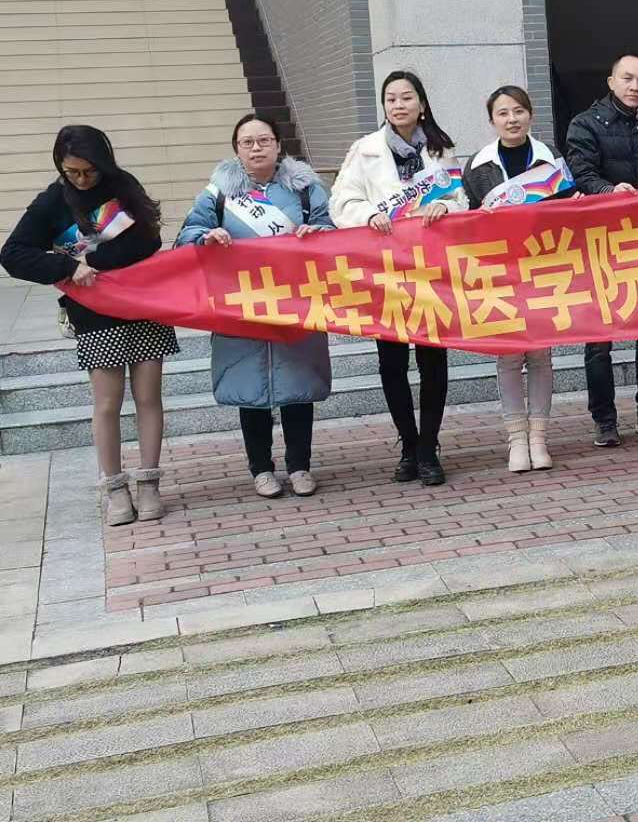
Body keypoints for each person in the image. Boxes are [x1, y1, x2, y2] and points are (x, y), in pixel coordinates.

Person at [1, 126, 177, 526]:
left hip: (143, 302)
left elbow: (148, 240)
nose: (82, 179)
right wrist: (66, 266)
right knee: (107, 403)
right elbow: (12, 254)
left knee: (148, 397)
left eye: (89, 171)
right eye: (72, 172)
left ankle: (149, 483)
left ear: (103, 163)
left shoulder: (123, 185)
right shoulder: (52, 201)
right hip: (94, 312)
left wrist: (93, 262)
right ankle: (115, 489)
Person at [175, 114, 334, 499]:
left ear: (278, 145)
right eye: (247, 142)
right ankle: (261, 469)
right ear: (237, 150)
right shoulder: (217, 194)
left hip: (295, 300)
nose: (256, 148)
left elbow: (335, 229)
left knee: (298, 385)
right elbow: (186, 235)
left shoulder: (306, 189)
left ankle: (300, 465)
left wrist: (319, 233)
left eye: (264, 140)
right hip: (240, 303)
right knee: (251, 389)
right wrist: (206, 236)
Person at [331, 71, 465, 486]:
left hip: (430, 269)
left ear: (422, 104)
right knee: (391, 362)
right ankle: (408, 444)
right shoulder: (365, 150)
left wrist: (446, 207)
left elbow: (461, 198)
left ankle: (429, 448)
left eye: (407, 97)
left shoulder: (441, 149)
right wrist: (369, 214)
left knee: (432, 359)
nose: (398, 105)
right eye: (391, 99)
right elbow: (341, 202)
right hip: (384, 270)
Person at [564, 54, 638, 448]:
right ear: (611, 81)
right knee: (599, 338)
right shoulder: (585, 124)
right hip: (600, 242)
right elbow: (580, 172)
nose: (635, 87)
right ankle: (604, 419)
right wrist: (607, 192)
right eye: (627, 78)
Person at [464, 86, 563, 472]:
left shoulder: (549, 157)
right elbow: (464, 217)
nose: (512, 119)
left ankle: (539, 438)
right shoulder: (478, 165)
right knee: (508, 357)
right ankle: (516, 441)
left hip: (543, 266)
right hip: (499, 270)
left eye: (519, 111)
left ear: (530, 115)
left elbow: (569, 208)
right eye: (503, 113)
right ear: (492, 120)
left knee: (540, 355)